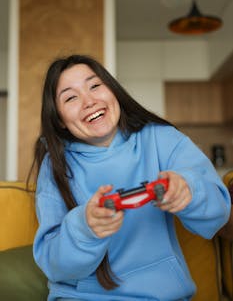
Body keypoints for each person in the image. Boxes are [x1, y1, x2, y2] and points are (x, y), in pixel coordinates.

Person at [31, 54, 231, 301]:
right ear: (60, 119)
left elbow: (219, 212)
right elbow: (54, 264)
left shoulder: (161, 138)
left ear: (113, 91)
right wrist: (86, 228)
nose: (89, 101)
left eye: (95, 86)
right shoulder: (54, 165)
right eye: (71, 97)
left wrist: (190, 191)